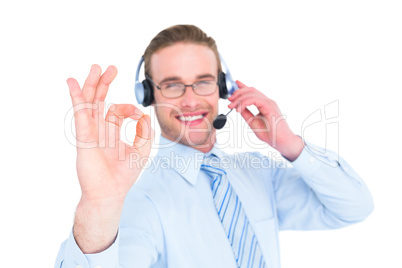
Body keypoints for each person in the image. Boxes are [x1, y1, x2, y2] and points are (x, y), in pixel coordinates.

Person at [55, 25, 374, 268]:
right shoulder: (141, 201)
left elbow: (354, 207)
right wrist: (98, 204)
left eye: (204, 81)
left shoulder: (259, 175)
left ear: (222, 87)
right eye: (172, 85)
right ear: (148, 96)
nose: (191, 99)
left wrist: (289, 143)